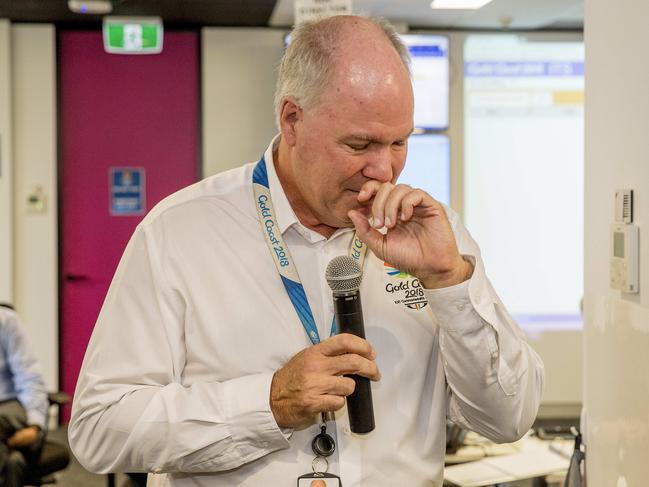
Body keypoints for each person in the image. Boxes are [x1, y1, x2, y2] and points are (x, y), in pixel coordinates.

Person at [69, 15, 544, 486]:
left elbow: (508, 419)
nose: (384, 170)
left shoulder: (431, 235)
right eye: (360, 144)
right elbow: (99, 429)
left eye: (400, 141)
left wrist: (449, 282)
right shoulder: (181, 232)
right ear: (292, 119)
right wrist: (267, 404)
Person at [0, 304, 48, 487]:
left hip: (10, 404)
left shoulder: (6, 321)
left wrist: (35, 425)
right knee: (14, 463)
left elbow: (28, 376)